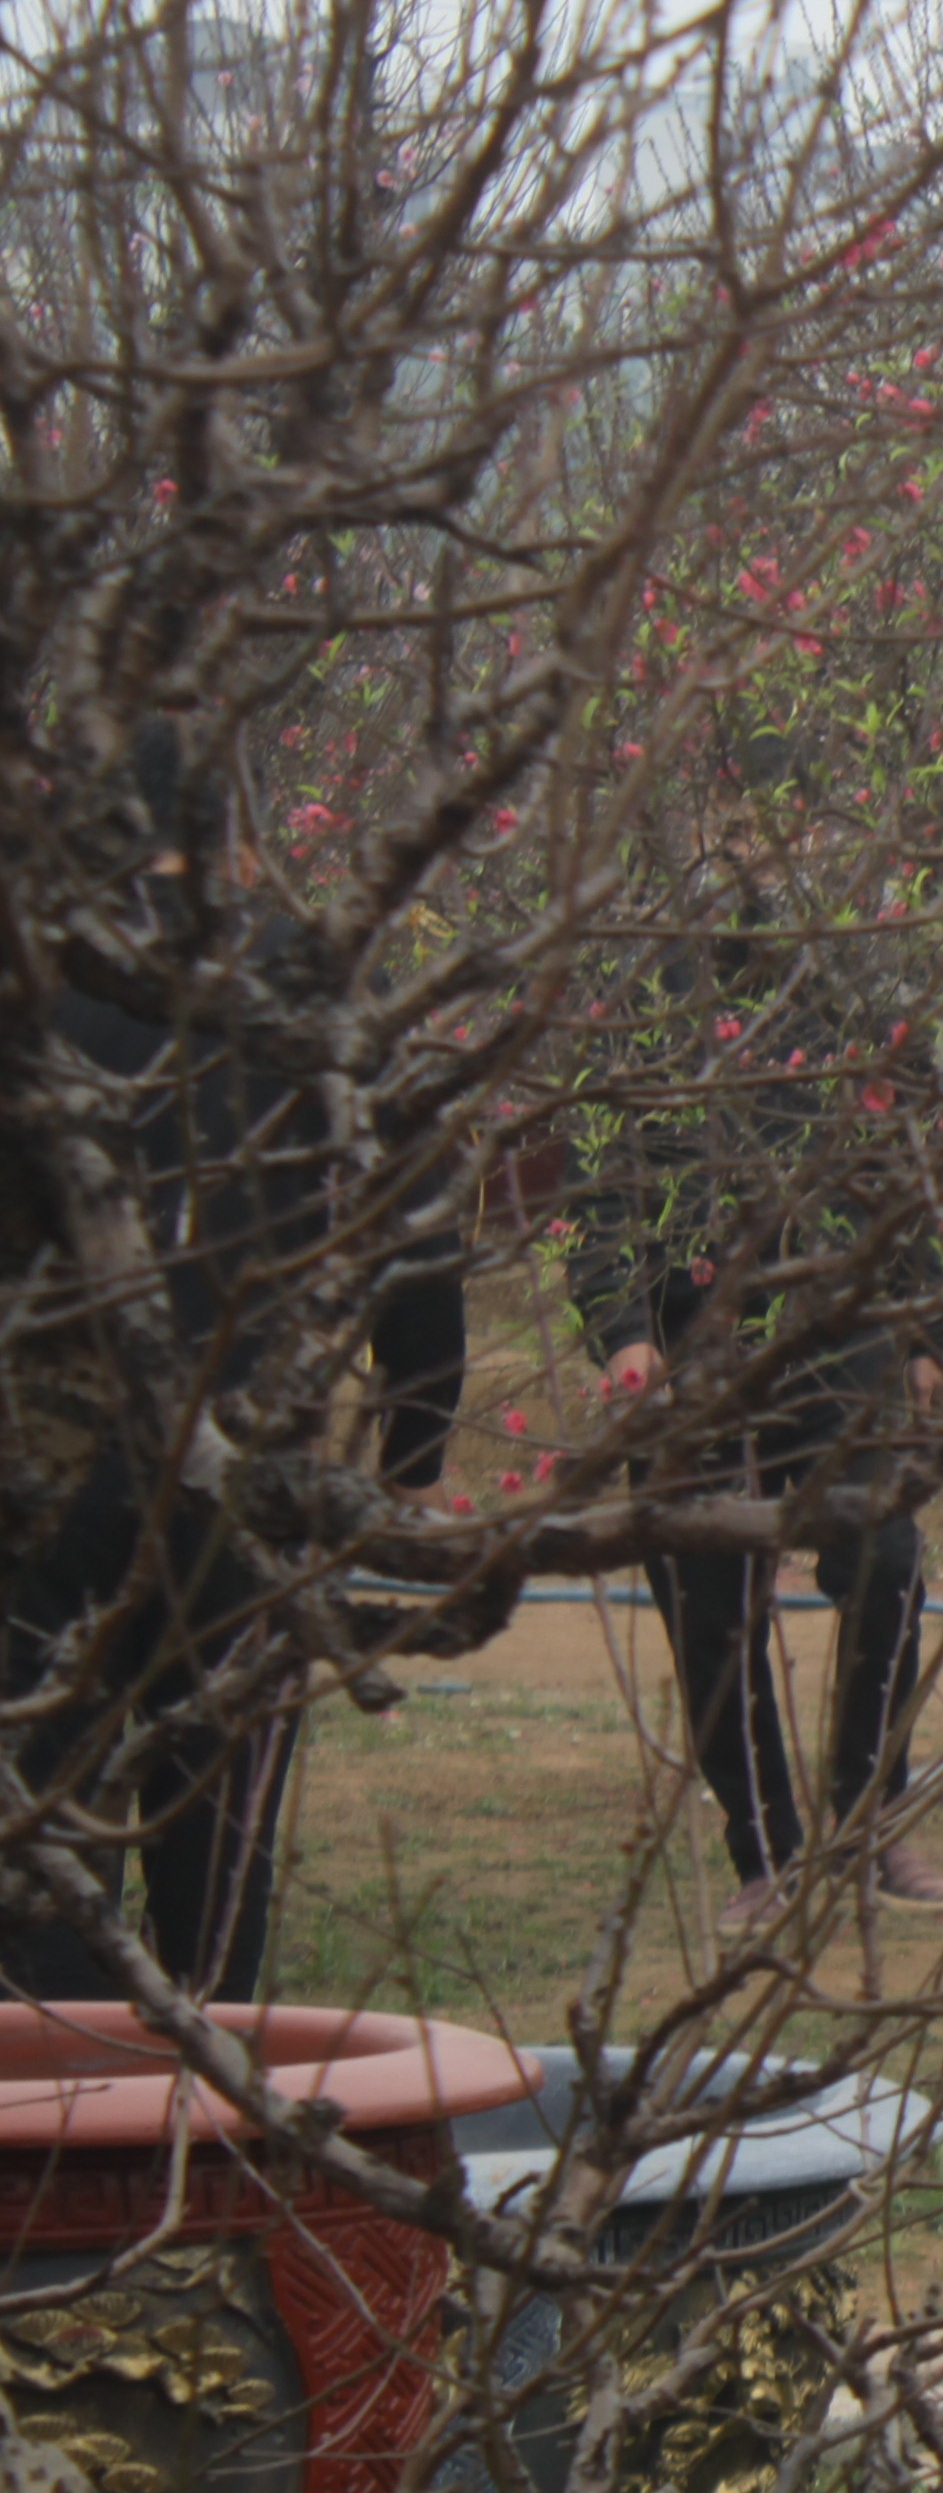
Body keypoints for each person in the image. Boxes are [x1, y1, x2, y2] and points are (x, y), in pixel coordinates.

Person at [0, 724, 466, 2006]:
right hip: (243, 1481)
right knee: (220, 1834)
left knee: (44, 1814)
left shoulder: (35, 980)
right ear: (242, 841)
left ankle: (51, 2133)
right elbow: (419, 1232)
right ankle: (206, 2114)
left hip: (48, 1481)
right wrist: (413, 1444)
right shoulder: (310, 991)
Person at [569, 735, 943, 1933]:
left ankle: (869, 1818)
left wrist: (931, 1321)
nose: (760, 854)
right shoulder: (644, 989)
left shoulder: (845, 984)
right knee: (708, 1595)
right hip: (695, 1339)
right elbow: (601, 1183)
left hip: (834, 1328)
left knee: (887, 1564)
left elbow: (896, 1163)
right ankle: (766, 1852)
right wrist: (623, 1330)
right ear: (699, 824)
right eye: (738, 826)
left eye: (790, 828)